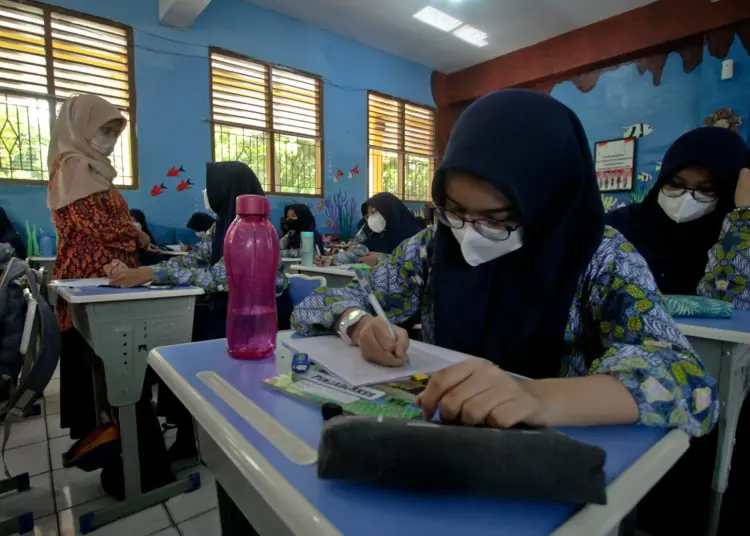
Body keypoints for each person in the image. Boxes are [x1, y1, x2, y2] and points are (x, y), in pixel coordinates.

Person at [293, 90, 717, 440]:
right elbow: (319, 304)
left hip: (545, 456)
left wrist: (540, 398)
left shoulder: (600, 257)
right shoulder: (433, 247)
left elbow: (690, 383)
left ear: (546, 203)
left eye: (496, 220)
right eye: (454, 210)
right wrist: (359, 324)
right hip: (441, 440)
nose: (468, 233)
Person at [108, 161, 291, 460]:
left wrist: (151, 275)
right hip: (229, 311)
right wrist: (145, 270)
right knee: (179, 345)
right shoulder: (223, 225)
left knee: (195, 345)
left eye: (212, 186)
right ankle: (186, 430)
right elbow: (195, 260)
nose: (208, 193)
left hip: (259, 318)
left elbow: (225, 276)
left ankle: (209, 434)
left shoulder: (260, 229)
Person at [48, 93, 172, 499]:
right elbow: (93, 228)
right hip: (94, 281)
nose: (110, 139)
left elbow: (114, 224)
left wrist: (137, 240)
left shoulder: (95, 169)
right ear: (81, 129)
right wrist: (134, 234)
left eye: (116, 132)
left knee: (120, 371)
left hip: (114, 281)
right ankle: (132, 462)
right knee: (111, 372)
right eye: (104, 130)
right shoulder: (73, 166)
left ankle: (135, 462)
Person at [606, 127, 749, 307]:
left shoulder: (734, 238)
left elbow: (729, 306)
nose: (686, 198)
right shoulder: (619, 225)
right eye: (675, 183)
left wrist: (743, 219)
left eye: (706, 189)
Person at [332, 192, 425, 266]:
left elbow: (414, 262)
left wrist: (380, 259)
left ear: (389, 211)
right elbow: (357, 252)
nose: (372, 218)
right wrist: (333, 259)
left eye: (374, 212)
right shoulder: (373, 234)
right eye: (369, 214)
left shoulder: (416, 235)